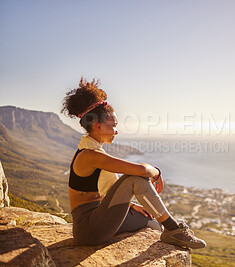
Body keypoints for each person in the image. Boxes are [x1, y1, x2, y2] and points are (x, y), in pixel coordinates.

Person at [61, 78, 206, 248]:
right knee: (134, 179)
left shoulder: (90, 150)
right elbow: (142, 171)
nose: (117, 130)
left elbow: (101, 193)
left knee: (150, 218)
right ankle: (174, 230)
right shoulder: (90, 155)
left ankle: (170, 230)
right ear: (99, 127)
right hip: (89, 229)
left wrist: (129, 205)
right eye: (113, 125)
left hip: (99, 218)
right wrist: (157, 172)